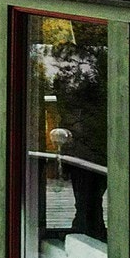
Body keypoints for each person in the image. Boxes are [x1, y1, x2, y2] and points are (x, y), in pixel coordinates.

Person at [50, 38, 108, 241]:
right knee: (89, 197)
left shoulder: (70, 80)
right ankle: (90, 229)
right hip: (86, 145)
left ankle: (88, 230)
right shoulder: (81, 78)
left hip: (86, 145)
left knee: (88, 197)